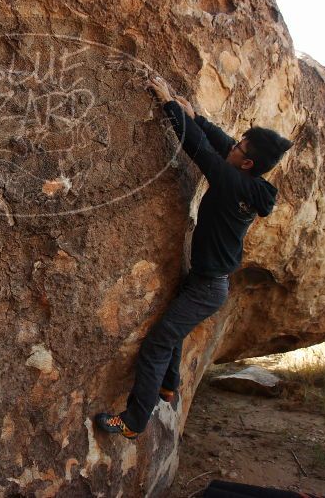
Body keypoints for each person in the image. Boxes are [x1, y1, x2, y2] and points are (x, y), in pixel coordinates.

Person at [95, 76, 293, 439]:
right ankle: (168, 386)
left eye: (240, 147)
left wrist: (170, 104)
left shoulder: (233, 182)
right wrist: (195, 114)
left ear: (247, 163)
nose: (232, 146)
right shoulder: (248, 181)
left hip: (207, 288)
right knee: (173, 331)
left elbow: (200, 149)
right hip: (205, 281)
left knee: (156, 344)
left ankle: (134, 421)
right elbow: (217, 142)